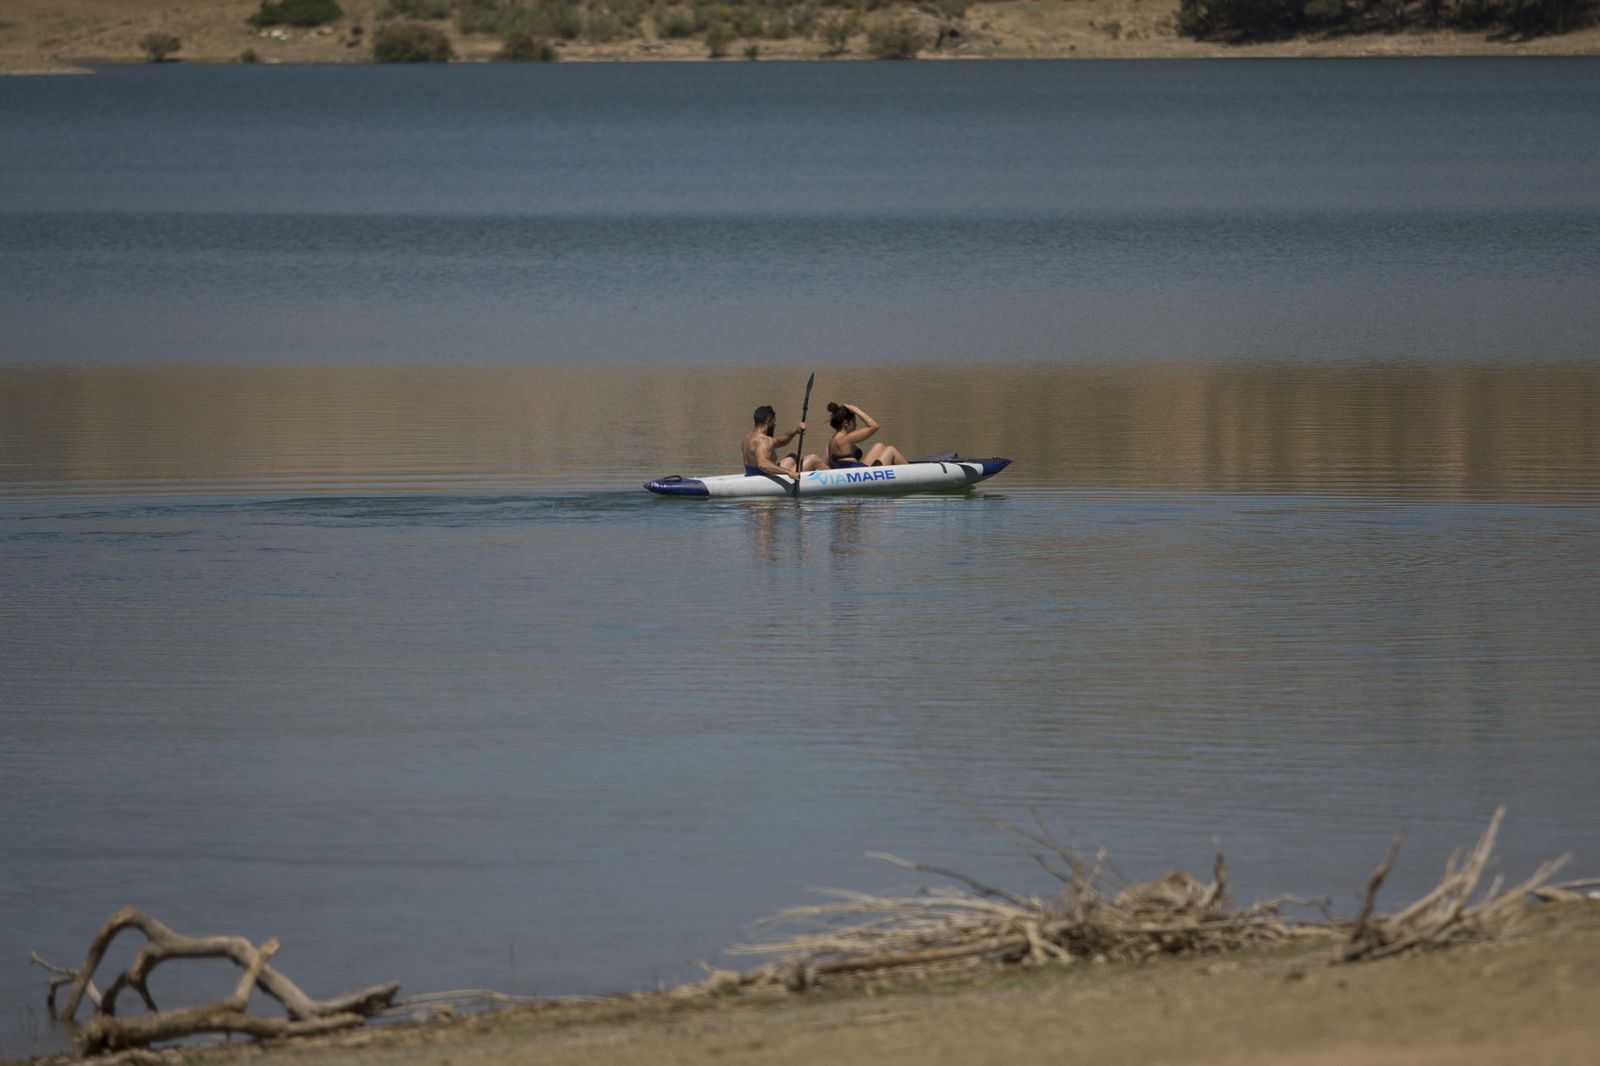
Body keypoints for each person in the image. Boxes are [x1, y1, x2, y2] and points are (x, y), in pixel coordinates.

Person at [741, 405, 816, 479]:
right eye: (774, 421)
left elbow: (779, 441)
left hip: (753, 476)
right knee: (813, 459)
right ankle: (826, 479)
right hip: (764, 481)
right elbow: (763, 464)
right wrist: (788, 472)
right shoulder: (763, 441)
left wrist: (795, 431)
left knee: (792, 458)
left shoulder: (748, 438)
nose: (775, 424)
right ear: (768, 420)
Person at [825, 402, 907, 468]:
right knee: (890, 450)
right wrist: (856, 410)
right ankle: (914, 475)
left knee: (879, 446)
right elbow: (874, 426)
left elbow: (827, 465)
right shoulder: (847, 438)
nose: (856, 425)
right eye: (854, 422)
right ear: (846, 423)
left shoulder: (831, 442)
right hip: (858, 477)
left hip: (855, 474)